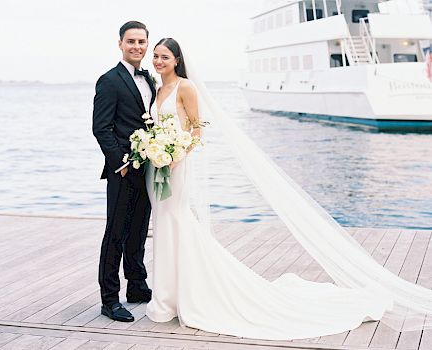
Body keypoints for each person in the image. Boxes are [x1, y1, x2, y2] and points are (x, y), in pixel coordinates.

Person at [144, 37, 393, 340]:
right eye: (155, 56)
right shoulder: (158, 89)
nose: (158, 61)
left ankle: (188, 295)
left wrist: (177, 154)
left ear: (177, 60)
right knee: (165, 227)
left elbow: (197, 130)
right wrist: (156, 151)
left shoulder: (186, 87)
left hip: (177, 168)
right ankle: (167, 297)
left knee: (179, 225)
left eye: (164, 57)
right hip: (156, 168)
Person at [92, 21, 156, 322]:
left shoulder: (150, 80)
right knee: (115, 233)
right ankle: (109, 299)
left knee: (140, 229)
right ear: (120, 43)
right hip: (122, 170)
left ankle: (137, 285)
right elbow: (101, 128)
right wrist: (120, 162)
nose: (137, 47)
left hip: (149, 167)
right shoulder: (109, 80)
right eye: (131, 41)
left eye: (142, 42)